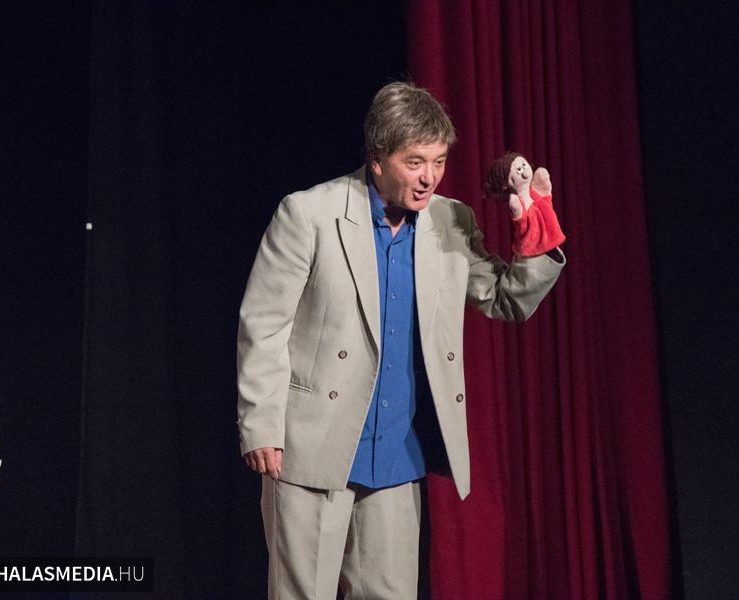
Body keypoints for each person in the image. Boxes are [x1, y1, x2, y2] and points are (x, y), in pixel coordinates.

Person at [237, 81, 566, 600]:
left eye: (438, 161)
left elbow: (506, 300)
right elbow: (264, 324)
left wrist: (535, 232)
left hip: (396, 450)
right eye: (415, 162)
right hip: (312, 443)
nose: (429, 177)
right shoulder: (309, 214)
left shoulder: (450, 221)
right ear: (377, 158)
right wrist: (260, 424)